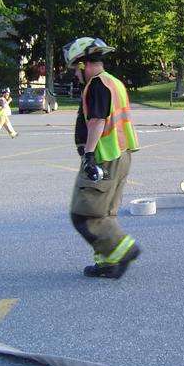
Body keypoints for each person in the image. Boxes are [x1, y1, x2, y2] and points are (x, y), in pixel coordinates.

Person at [63, 37, 141, 279]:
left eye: (75, 69)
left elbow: (97, 120)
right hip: (122, 154)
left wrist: (88, 154)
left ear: (84, 64)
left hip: (104, 156)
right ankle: (107, 263)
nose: (75, 75)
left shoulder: (97, 84)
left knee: (84, 214)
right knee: (105, 213)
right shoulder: (114, 82)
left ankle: (124, 248)